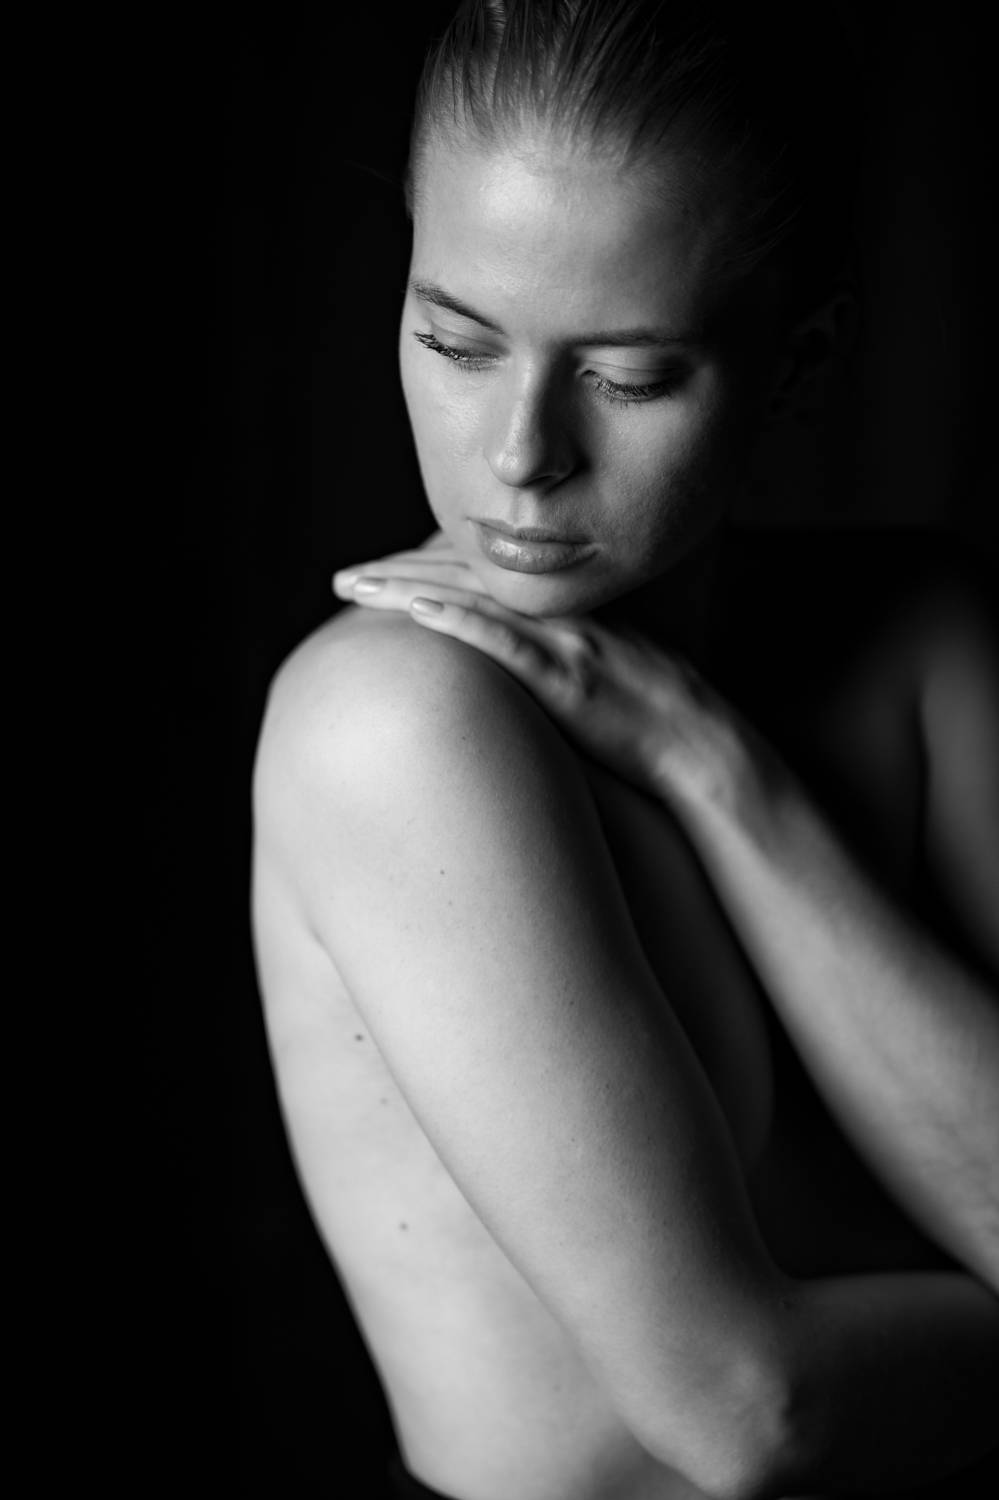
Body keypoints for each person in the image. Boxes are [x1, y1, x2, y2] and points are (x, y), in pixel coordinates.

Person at [250, 2, 999, 1496]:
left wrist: (713, 765)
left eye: (630, 376)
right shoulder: (395, 719)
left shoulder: (920, 640)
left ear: (797, 363)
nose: (521, 452)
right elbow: (747, 1415)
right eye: (456, 342)